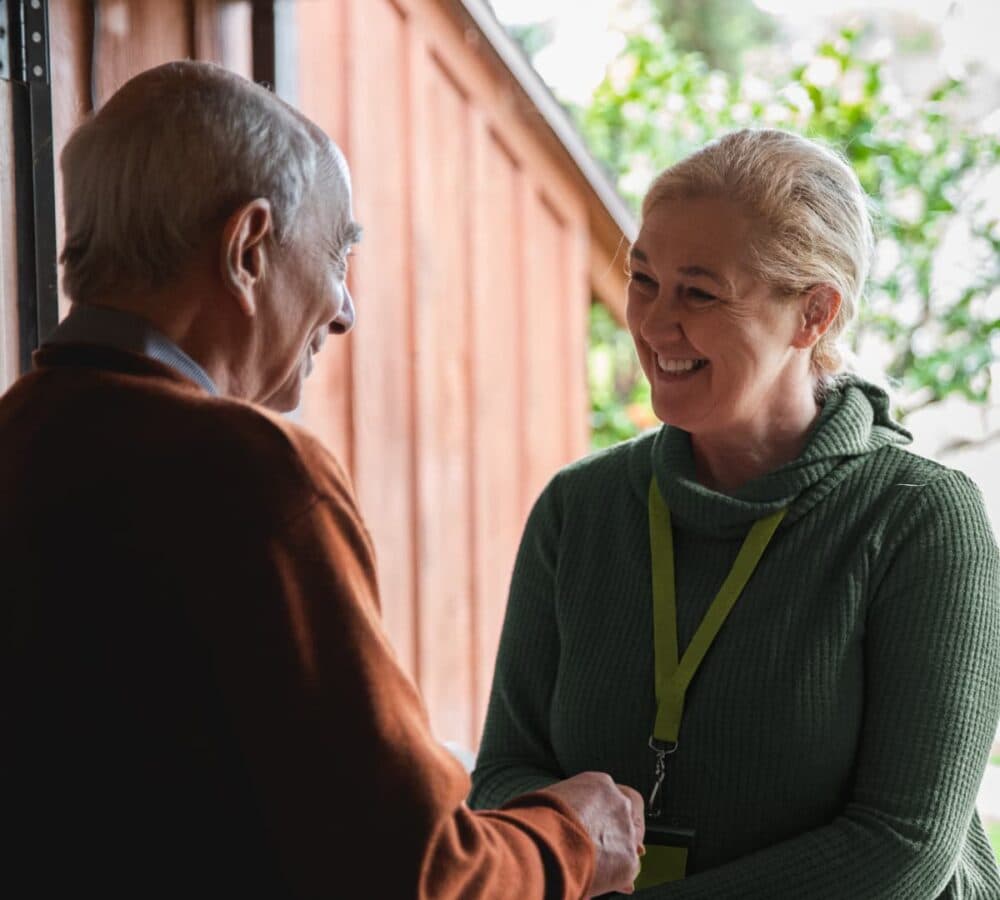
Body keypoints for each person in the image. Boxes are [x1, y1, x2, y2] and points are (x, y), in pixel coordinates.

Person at [0, 61, 645, 898]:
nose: (345, 308)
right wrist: (573, 838)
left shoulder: (20, 434)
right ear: (248, 247)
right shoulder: (246, 476)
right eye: (340, 255)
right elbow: (416, 873)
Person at [469, 128, 1000, 898]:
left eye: (699, 292)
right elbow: (504, 776)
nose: (652, 326)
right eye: (644, 279)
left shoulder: (919, 520)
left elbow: (904, 850)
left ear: (813, 314)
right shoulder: (577, 510)